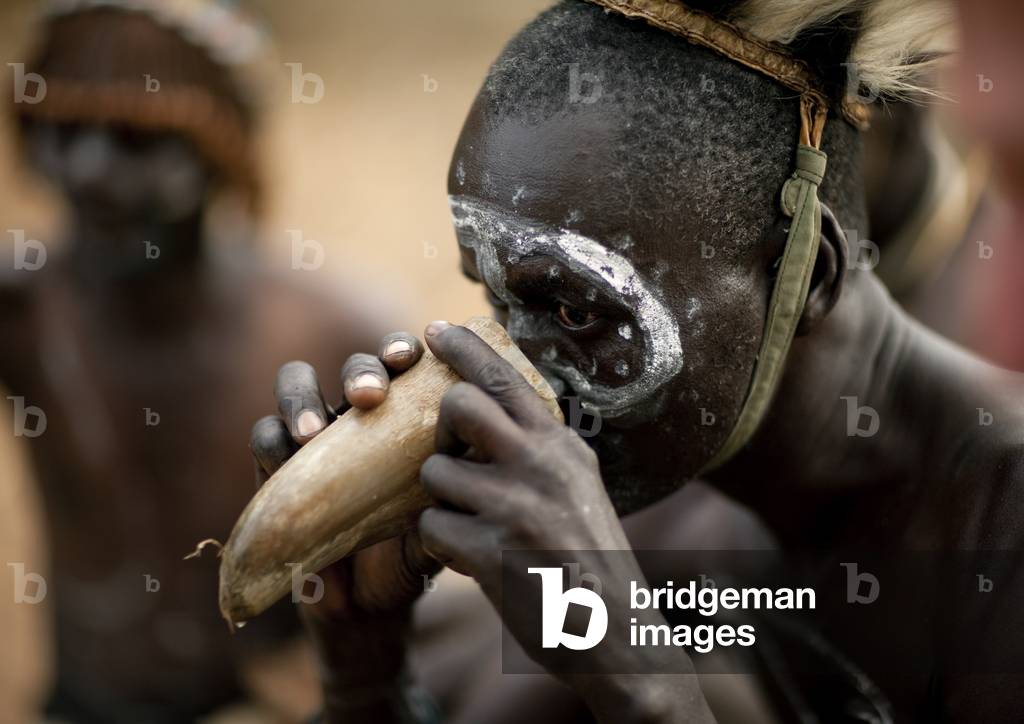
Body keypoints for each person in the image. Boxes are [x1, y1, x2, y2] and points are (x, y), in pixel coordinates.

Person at [250, 1, 1024, 722]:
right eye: (492, 298)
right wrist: (366, 673)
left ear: (809, 272)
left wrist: (641, 680)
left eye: (577, 311)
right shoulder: (675, 521)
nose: (508, 368)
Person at [0, 2, 385, 721]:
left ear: (223, 151)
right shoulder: (23, 312)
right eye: (62, 129)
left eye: (137, 140)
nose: (87, 169)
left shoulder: (328, 328)